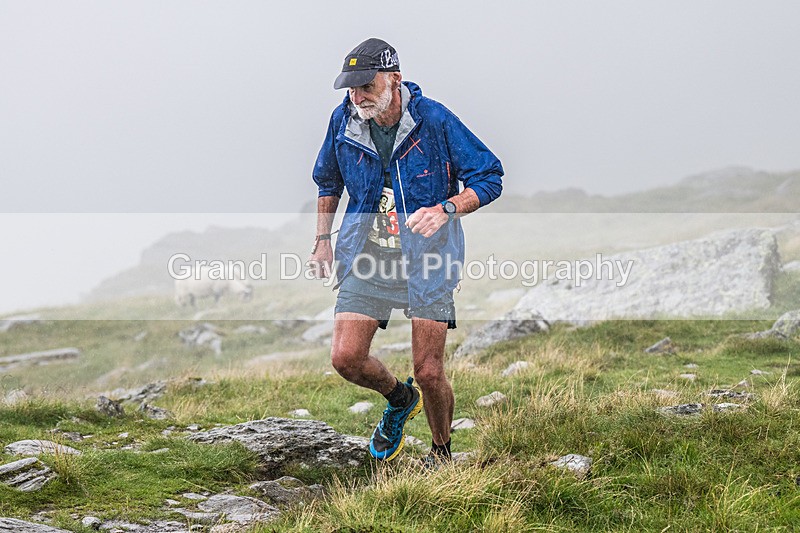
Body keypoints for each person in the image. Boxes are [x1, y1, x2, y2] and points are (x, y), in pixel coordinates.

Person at [309, 38, 503, 465]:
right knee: (345, 358)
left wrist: (447, 208)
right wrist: (323, 241)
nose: (357, 97)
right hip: (368, 256)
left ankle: (441, 451)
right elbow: (328, 182)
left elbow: (490, 176)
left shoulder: (434, 120)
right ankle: (399, 399)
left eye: (366, 86)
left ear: (394, 79)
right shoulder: (343, 121)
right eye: (350, 89)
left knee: (430, 371)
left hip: (428, 261)